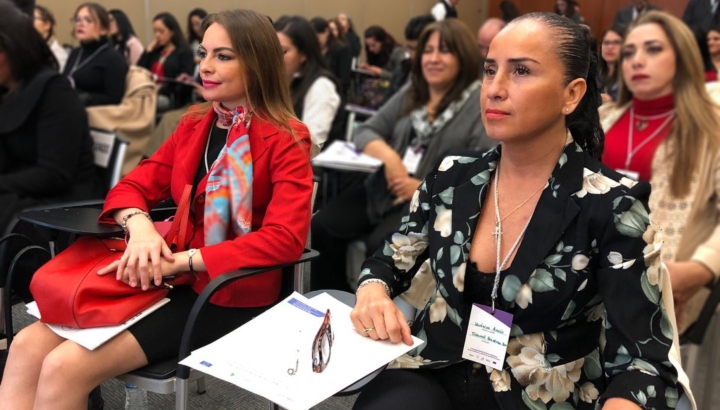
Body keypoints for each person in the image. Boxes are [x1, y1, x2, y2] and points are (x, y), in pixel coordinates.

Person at [350, 11, 693, 410]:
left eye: (521, 71)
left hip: (539, 392)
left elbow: (643, 361)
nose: (494, 89)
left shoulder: (612, 205)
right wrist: (372, 291)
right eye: (489, 70)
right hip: (436, 366)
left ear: (571, 94)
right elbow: (389, 261)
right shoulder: (452, 178)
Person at [0, 8, 313, 409]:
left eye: (223, 56)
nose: (205, 66)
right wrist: (141, 226)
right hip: (168, 278)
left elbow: (284, 240)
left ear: (257, 62)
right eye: (203, 53)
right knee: (26, 345)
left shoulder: (286, 138)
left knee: (63, 368)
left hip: (226, 292)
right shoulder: (195, 124)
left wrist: (181, 261)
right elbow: (130, 186)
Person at [311, 18, 492, 292]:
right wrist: (391, 159)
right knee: (322, 225)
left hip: (430, 202)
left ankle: (375, 306)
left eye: (444, 51)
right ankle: (334, 298)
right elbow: (367, 131)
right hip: (383, 189)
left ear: (463, 56)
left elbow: (479, 170)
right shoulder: (413, 91)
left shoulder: (478, 104)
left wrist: (422, 187)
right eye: (427, 51)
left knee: (382, 246)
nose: (433, 59)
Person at [600, 11, 720, 337]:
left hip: (667, 286)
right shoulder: (602, 120)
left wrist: (701, 269)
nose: (637, 61)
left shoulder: (711, 125)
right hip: (595, 279)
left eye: (653, 49)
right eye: (629, 53)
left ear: (682, 58)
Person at [0, 1, 99, 233]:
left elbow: (54, 174)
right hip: (25, 191)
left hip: (62, 203)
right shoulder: (6, 92)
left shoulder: (54, 91)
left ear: (14, 48)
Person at [276, 16, 342, 150]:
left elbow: (311, 144)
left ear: (303, 54)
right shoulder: (280, 81)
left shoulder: (321, 86)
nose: (274, 56)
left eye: (283, 51)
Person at [62, 2, 128, 107]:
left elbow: (115, 98)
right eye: (77, 20)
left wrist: (86, 98)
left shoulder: (112, 58)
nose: (80, 24)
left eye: (88, 20)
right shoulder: (75, 53)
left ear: (103, 29)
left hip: (95, 114)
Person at [138, 12, 195, 111]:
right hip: (149, 92)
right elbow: (139, 70)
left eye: (161, 31)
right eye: (155, 31)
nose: (157, 35)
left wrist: (161, 88)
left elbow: (185, 80)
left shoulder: (184, 52)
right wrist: (148, 51)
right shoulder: (156, 51)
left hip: (169, 96)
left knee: (141, 103)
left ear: (172, 31)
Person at [387, 14, 436, 97]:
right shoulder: (403, 70)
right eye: (410, 48)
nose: (413, 54)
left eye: (418, 49)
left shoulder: (438, 76)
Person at [310, 16, 352, 97]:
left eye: (317, 38)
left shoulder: (342, 50)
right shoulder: (313, 50)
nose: (315, 42)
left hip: (333, 95)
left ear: (326, 32)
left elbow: (344, 81)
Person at [599, 25, 625, 102]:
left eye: (616, 43)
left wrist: (612, 103)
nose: (610, 47)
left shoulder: (629, 76)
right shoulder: (595, 73)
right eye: (606, 42)